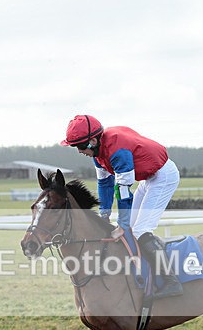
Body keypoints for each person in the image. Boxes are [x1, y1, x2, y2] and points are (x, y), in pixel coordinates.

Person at [60, 114, 183, 298]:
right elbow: (105, 184)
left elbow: (124, 193)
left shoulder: (118, 152)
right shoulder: (98, 153)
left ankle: (170, 281)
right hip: (148, 178)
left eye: (80, 146)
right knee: (130, 229)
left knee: (140, 230)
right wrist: (104, 215)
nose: (78, 151)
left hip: (163, 177)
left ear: (93, 140)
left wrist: (123, 225)